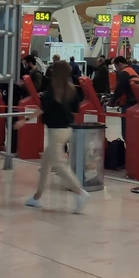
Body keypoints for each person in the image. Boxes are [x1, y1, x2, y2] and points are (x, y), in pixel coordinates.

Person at [21, 62, 90, 213]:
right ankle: (37, 197)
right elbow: (75, 111)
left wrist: (24, 121)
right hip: (66, 130)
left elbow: (41, 109)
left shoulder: (53, 90)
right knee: (46, 162)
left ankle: (80, 193)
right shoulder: (71, 89)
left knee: (59, 164)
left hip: (56, 132)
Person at [110, 56, 139, 137]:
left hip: (128, 103)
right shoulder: (131, 71)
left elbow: (120, 89)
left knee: (126, 132)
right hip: (134, 103)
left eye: (116, 66)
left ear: (119, 64)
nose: (116, 69)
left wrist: (112, 101)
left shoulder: (124, 73)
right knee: (132, 131)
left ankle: (129, 148)